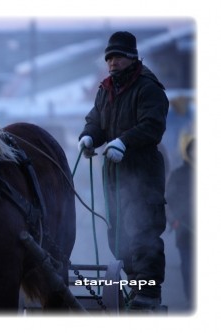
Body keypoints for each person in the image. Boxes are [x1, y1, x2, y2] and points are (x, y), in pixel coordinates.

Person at [78, 31, 169, 311]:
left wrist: (123, 142)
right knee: (118, 236)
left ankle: (148, 294)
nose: (112, 62)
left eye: (116, 57)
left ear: (131, 58)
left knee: (142, 230)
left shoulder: (148, 87)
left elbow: (153, 125)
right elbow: (97, 120)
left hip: (141, 172)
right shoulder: (106, 89)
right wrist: (89, 136)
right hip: (115, 175)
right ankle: (134, 287)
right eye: (109, 58)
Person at [165, 134, 195, 309]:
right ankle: (191, 297)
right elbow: (169, 198)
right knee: (188, 266)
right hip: (184, 228)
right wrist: (173, 218)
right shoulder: (178, 174)